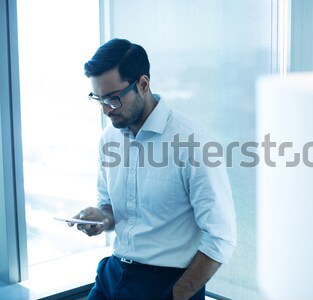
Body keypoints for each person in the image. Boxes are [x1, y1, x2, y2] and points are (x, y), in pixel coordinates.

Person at [70, 38, 236, 300]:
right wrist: (101, 218)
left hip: (164, 285)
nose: (105, 110)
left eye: (112, 99)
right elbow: (109, 207)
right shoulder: (109, 139)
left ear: (143, 84)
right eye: (98, 99)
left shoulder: (192, 142)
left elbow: (221, 236)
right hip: (112, 274)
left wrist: (179, 293)